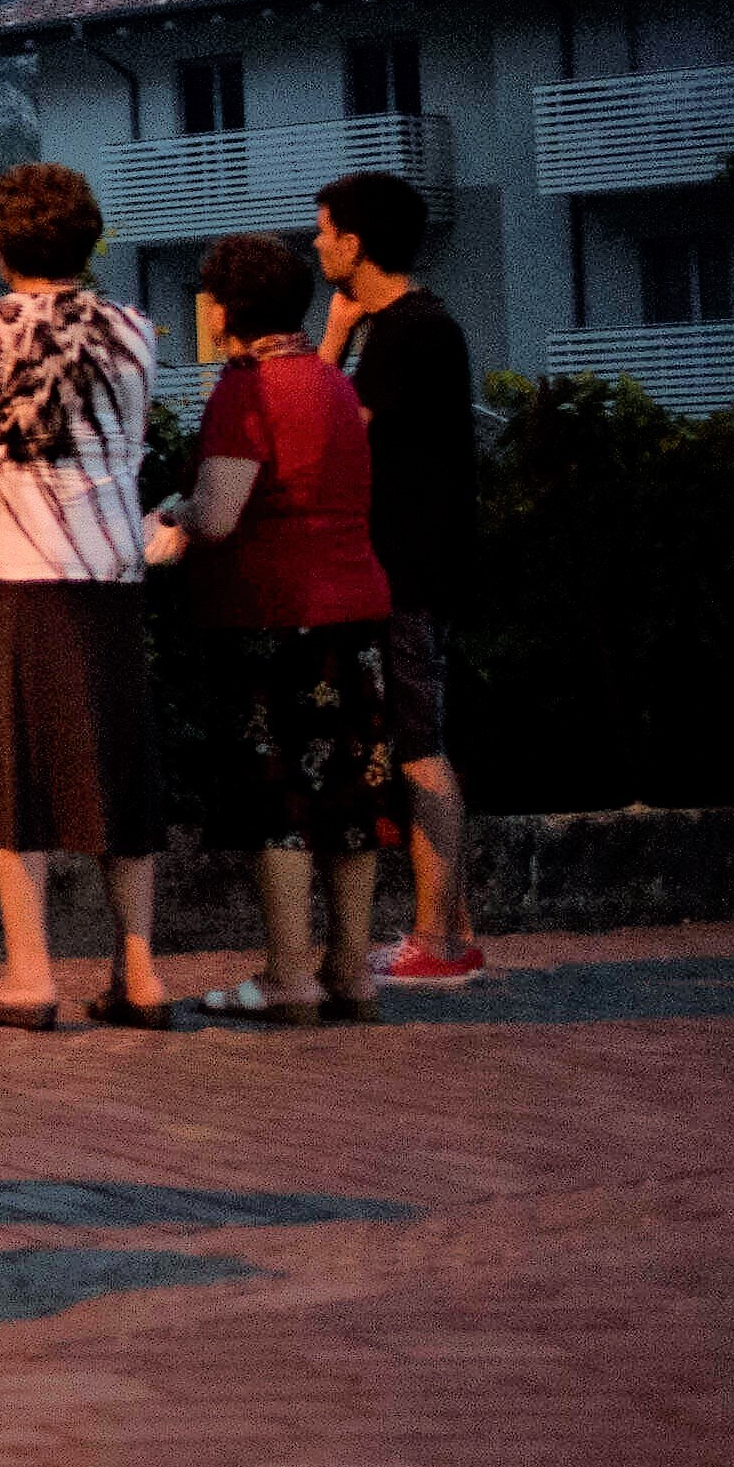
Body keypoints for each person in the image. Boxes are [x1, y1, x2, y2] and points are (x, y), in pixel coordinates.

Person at [0, 163, 168, 1029]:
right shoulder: (135, 329)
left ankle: (30, 973)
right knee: (118, 764)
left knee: (13, 769)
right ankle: (142, 971)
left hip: (9, 567)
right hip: (113, 570)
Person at [152, 232, 392, 1026]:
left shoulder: (245, 390)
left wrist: (172, 514)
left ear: (226, 308)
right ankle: (350, 970)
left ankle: (289, 973)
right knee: (350, 792)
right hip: (354, 601)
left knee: (279, 794)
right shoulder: (330, 381)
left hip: (269, 613)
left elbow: (220, 514)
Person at [315, 169, 483, 986]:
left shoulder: (410, 332)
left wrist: (331, 341)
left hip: (407, 567)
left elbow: (333, 433)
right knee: (424, 742)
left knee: (420, 750)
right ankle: (452, 933)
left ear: (354, 242)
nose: (316, 244)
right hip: (421, 562)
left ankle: (438, 945)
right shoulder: (421, 325)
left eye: (324, 230)